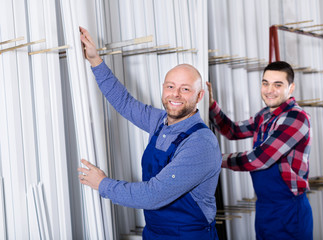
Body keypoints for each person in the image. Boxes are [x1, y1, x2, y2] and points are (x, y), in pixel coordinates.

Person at [77, 27, 221, 240]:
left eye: (185, 89)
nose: (176, 94)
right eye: (171, 86)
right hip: (154, 233)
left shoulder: (201, 143)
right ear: (163, 88)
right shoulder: (160, 122)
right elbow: (125, 103)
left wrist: (103, 184)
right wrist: (95, 61)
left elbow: (154, 194)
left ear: (199, 96)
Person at [207, 61, 313, 240]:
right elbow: (233, 131)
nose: (269, 90)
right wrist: (210, 105)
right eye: (265, 83)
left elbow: (260, 158)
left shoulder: (296, 118)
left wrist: (215, 159)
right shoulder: (264, 115)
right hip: (265, 206)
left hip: (288, 209)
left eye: (277, 84)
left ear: (291, 87)